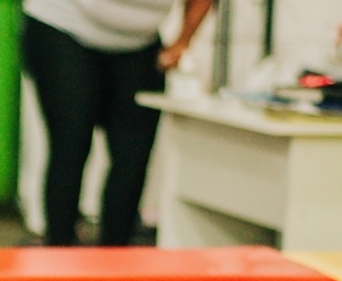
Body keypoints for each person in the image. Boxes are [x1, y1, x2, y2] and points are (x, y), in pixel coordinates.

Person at [23, 0, 213, 246]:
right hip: (65, 25)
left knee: (133, 156)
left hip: (139, 41)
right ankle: (59, 248)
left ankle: (116, 255)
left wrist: (182, 42)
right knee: (71, 146)